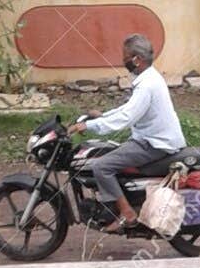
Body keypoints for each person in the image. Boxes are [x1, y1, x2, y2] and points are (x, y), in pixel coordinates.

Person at [70, 34, 186, 230]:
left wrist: (91, 126)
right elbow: (129, 109)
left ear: (136, 59)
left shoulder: (146, 84)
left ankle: (127, 213)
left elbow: (127, 117)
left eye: (125, 56)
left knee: (102, 167)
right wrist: (102, 116)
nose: (123, 61)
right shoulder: (149, 78)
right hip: (154, 139)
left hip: (153, 144)